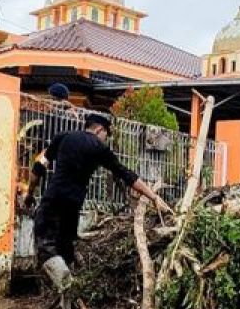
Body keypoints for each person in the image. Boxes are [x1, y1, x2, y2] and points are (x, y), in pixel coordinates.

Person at [24, 112, 172, 295]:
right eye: (106, 136)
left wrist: (30, 193)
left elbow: (38, 167)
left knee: (46, 246)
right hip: (73, 206)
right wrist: (154, 197)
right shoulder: (98, 148)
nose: (105, 140)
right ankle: (67, 297)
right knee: (65, 248)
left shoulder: (62, 138)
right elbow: (126, 175)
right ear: (99, 129)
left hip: (53, 200)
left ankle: (70, 291)